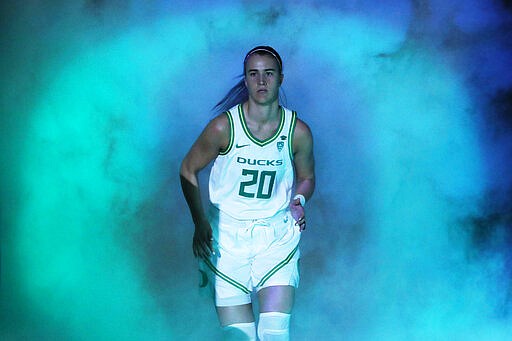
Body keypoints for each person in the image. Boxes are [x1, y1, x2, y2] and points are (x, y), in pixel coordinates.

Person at [180, 45, 315, 340]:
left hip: (276, 237)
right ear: (245, 80)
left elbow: (306, 177)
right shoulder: (223, 128)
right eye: (253, 74)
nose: (261, 81)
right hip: (228, 240)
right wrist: (200, 222)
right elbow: (188, 169)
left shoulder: (297, 130)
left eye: (268, 73)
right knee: (239, 337)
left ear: (281, 78)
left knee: (275, 334)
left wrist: (299, 200)